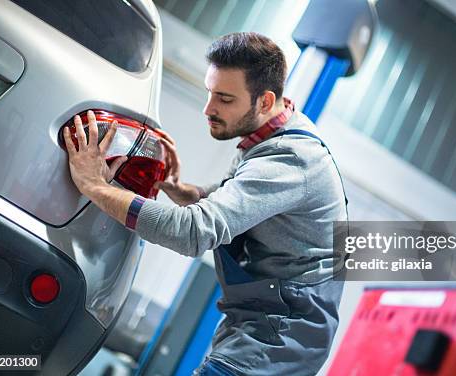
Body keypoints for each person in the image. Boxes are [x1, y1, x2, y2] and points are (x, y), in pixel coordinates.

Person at [63, 32, 347, 376]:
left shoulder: (292, 159)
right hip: (258, 335)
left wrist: (95, 186)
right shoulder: (267, 137)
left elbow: (194, 232)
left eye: (225, 99)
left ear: (264, 100)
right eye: (210, 92)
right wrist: (180, 190)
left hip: (273, 347)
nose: (208, 109)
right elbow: (240, 203)